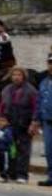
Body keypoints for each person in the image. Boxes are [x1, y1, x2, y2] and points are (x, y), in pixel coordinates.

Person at [0, 67, 38, 184]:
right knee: (11, 149)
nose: (16, 77)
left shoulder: (31, 91)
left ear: (23, 76)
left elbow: (36, 107)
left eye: (19, 75)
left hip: (24, 124)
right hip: (9, 124)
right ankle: (11, 173)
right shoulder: (7, 89)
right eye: (14, 75)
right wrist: (0, 120)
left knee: (24, 150)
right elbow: (2, 106)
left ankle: (22, 175)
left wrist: (34, 123)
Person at [35, 54, 52, 187]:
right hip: (47, 122)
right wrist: (36, 120)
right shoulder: (44, 82)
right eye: (50, 63)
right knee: (48, 150)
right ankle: (51, 176)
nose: (51, 66)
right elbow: (39, 102)